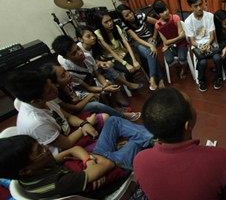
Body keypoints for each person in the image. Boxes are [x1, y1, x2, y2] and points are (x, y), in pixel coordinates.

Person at [6, 70, 153, 168]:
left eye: (52, 85)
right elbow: (67, 144)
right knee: (134, 145)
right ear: (35, 101)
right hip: (71, 155)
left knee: (114, 121)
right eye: (50, 90)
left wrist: (83, 123)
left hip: (75, 136)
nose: (55, 90)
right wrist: (86, 125)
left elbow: (68, 116)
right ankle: (116, 158)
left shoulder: (45, 99)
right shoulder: (35, 122)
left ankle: (154, 139)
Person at [0, 135, 122, 200]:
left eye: (41, 145)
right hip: (104, 186)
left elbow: (74, 149)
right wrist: (92, 162)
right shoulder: (56, 183)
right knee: (133, 148)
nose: (46, 148)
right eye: (40, 150)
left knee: (113, 123)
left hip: (90, 169)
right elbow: (108, 164)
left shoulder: (36, 168)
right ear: (25, 170)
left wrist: (89, 161)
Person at [41, 63, 141, 122]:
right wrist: (90, 95)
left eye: (65, 71)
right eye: (63, 75)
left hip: (77, 103)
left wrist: (102, 89)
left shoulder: (67, 84)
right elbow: (75, 108)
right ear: (56, 83)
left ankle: (114, 110)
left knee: (100, 93)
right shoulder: (55, 96)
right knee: (96, 104)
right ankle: (122, 115)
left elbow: (78, 96)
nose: (68, 75)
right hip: (73, 115)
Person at [52, 35, 128, 107]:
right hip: (82, 90)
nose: (80, 53)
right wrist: (104, 89)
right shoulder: (69, 72)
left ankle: (114, 105)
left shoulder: (87, 56)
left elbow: (98, 74)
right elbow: (88, 88)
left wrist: (106, 85)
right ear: (66, 57)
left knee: (109, 84)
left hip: (92, 82)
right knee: (97, 97)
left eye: (78, 48)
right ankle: (109, 109)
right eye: (74, 53)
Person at [75, 26, 144, 91]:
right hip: (89, 73)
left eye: (93, 35)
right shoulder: (79, 51)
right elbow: (89, 65)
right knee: (110, 71)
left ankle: (127, 85)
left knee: (110, 66)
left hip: (97, 66)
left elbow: (97, 59)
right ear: (80, 39)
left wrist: (102, 63)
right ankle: (128, 84)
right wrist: (101, 63)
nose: (93, 38)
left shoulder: (94, 46)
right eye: (88, 36)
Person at [117, 4, 165, 90]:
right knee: (151, 52)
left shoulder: (140, 16)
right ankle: (159, 79)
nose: (131, 15)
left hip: (149, 39)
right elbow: (137, 39)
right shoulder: (124, 25)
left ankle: (153, 78)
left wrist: (154, 36)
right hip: (138, 43)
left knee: (150, 53)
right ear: (123, 18)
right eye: (127, 15)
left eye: (130, 12)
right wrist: (151, 45)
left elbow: (157, 23)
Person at [184, 0, 223, 92]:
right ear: (190, 7)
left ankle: (219, 77)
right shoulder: (188, 21)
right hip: (197, 45)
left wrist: (208, 44)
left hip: (210, 42)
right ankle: (201, 80)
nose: (199, 8)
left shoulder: (209, 16)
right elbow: (192, 41)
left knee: (217, 58)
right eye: (195, 6)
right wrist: (201, 45)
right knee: (202, 62)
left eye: (200, 4)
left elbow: (212, 35)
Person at [93, 10, 144, 82]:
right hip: (110, 58)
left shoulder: (116, 27)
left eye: (110, 20)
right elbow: (111, 52)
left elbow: (126, 43)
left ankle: (130, 79)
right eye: (106, 22)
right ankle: (129, 84)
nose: (110, 23)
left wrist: (134, 60)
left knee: (136, 65)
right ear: (100, 24)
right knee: (128, 69)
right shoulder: (98, 33)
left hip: (121, 53)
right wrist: (125, 64)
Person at [152, 0, 189, 80]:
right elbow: (166, 41)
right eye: (162, 12)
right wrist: (176, 39)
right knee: (169, 61)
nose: (165, 12)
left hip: (181, 44)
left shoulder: (175, 18)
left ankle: (183, 69)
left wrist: (169, 42)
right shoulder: (158, 25)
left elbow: (182, 36)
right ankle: (179, 65)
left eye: (165, 9)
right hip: (170, 46)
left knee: (182, 58)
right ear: (157, 14)